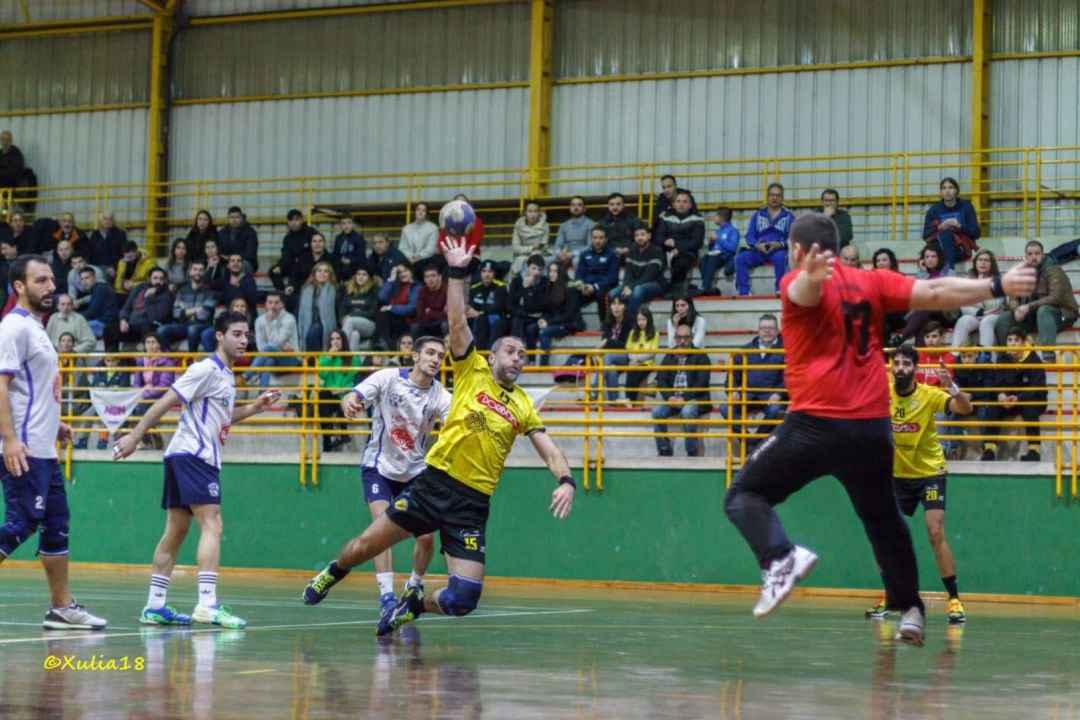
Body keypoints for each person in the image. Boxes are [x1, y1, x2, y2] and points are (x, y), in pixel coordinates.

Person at [722, 211, 1034, 647]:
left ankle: (780, 557)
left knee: (742, 496)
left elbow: (804, 292)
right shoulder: (872, 281)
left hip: (816, 422)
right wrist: (997, 285)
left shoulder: (796, 282)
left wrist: (810, 277)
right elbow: (934, 290)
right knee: (883, 519)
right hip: (871, 427)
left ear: (796, 250)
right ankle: (912, 610)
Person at [302, 235, 576, 637]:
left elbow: (550, 452)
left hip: (472, 503)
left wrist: (566, 481)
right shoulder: (472, 369)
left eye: (524, 355)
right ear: (493, 354)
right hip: (434, 484)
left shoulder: (522, 406)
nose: (519, 358)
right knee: (365, 547)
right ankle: (333, 571)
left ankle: (415, 604)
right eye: (512, 351)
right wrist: (457, 273)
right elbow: (456, 322)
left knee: (463, 599)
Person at [114, 311, 281, 629]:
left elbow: (222, 418)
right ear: (219, 336)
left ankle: (154, 606)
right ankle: (206, 603)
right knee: (212, 524)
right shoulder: (205, 369)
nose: (243, 340)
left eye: (246, 334)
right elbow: (164, 401)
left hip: (185, 456)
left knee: (175, 532)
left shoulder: (228, 376)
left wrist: (255, 408)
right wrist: (136, 436)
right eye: (236, 334)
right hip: (194, 456)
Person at [0, 255, 108, 630]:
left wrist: (56, 422)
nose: (51, 286)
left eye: (51, 279)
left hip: (44, 447)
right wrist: (10, 439)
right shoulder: (13, 327)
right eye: (41, 280)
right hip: (24, 449)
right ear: (20, 286)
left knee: (56, 523)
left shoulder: (36, 327)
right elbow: (2, 385)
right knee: (21, 523)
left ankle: (62, 608)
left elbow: (32, 389)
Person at [340, 336, 451, 612]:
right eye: (430, 353)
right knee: (381, 529)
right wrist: (349, 401)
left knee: (426, 538)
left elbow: (456, 425)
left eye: (440, 355)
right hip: (379, 467)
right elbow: (353, 395)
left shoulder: (441, 396)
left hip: (415, 470)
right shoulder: (388, 377)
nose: (436, 359)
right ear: (415, 356)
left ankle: (414, 584)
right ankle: (387, 597)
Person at [866, 344, 973, 624]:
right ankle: (891, 595)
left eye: (906, 364)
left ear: (915, 368)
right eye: (897, 363)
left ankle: (954, 600)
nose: (901, 368)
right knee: (884, 537)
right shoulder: (882, 394)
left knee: (935, 532)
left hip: (930, 473)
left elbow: (966, 408)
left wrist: (952, 387)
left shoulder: (928, 395)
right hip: (897, 476)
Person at [994, 240, 1078, 363]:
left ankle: (1048, 357)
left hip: (1061, 314)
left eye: (1037, 253)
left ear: (1043, 255)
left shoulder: (1054, 269)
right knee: (1004, 318)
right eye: (1030, 254)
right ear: (1026, 257)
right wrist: (1016, 308)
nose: (1034, 257)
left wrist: (1028, 307)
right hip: (1032, 317)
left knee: (1044, 310)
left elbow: (1055, 297)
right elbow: (1012, 299)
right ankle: (1007, 356)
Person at [981, 326, 1047, 462]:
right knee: (993, 408)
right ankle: (989, 450)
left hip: (1029, 398)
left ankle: (1034, 451)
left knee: (1031, 408)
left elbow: (1037, 387)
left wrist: (1018, 397)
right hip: (1009, 398)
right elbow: (998, 381)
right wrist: (1001, 394)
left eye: (1016, 340)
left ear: (1023, 343)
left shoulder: (1034, 359)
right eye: (1009, 340)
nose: (1012, 343)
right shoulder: (1002, 357)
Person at [723, 314, 785, 451]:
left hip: (771, 396)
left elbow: (789, 377)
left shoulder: (786, 350)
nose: (767, 331)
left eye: (770, 328)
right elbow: (731, 377)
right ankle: (751, 441)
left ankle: (754, 442)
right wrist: (733, 390)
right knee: (724, 408)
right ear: (758, 330)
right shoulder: (745, 350)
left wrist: (779, 394)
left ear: (777, 330)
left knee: (775, 409)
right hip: (749, 395)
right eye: (764, 328)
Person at [651, 324, 711, 457]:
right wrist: (669, 397)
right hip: (673, 398)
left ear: (692, 338)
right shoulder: (670, 356)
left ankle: (692, 451)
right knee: (656, 412)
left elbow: (701, 383)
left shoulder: (701, 356)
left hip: (694, 398)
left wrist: (684, 398)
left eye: (686, 338)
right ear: (675, 338)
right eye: (679, 338)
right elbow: (661, 380)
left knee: (688, 411)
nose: (682, 341)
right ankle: (664, 449)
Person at [735, 183, 795, 296]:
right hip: (759, 250)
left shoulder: (789, 216)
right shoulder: (757, 215)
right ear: (767, 196)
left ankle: (780, 289)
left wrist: (780, 244)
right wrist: (757, 245)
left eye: (778, 195)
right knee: (740, 259)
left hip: (779, 251)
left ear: (782, 198)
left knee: (783, 258)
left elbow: (794, 237)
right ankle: (744, 291)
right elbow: (749, 236)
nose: (774, 198)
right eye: (772, 195)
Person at [896, 243, 953, 346]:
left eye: (933, 256)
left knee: (928, 306)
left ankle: (902, 337)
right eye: (927, 257)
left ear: (939, 257)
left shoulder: (950, 273)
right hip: (926, 314)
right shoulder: (922, 274)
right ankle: (920, 358)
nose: (930, 260)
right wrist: (923, 273)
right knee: (923, 325)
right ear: (923, 260)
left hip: (946, 313)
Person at [104, 267, 173, 352]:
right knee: (109, 329)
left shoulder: (166, 294)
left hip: (150, 327)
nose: (158, 281)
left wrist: (149, 298)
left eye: (161, 279)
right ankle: (112, 361)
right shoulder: (140, 288)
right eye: (155, 278)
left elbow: (155, 318)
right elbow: (126, 307)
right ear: (149, 279)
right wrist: (123, 320)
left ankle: (148, 362)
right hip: (132, 326)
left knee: (148, 328)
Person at [131, 332, 177, 450]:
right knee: (129, 407)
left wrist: (144, 395)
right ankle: (130, 439)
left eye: (153, 342)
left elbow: (164, 386)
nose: (150, 345)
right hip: (144, 393)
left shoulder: (167, 361)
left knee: (141, 407)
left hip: (162, 395)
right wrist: (137, 392)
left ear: (159, 345)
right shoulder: (141, 360)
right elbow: (137, 380)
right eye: (147, 343)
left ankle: (147, 442)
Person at [532, 262, 583, 367]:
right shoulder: (549, 288)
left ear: (561, 273)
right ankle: (530, 360)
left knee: (544, 333)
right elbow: (547, 310)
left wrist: (548, 322)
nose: (551, 274)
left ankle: (543, 367)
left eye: (555, 271)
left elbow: (569, 315)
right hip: (554, 321)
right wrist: (542, 319)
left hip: (569, 324)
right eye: (550, 271)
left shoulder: (571, 290)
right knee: (530, 329)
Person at [923, 177, 980, 270]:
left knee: (947, 235)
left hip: (961, 248)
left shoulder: (966, 206)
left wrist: (960, 226)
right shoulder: (934, 210)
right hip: (939, 249)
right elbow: (925, 235)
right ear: (941, 192)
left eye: (950, 187)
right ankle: (949, 269)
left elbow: (976, 233)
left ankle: (949, 269)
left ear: (956, 190)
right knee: (943, 236)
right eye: (944, 188)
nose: (947, 191)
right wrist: (940, 227)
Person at [655, 190, 705, 294]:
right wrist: (666, 242)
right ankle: (664, 288)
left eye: (685, 202)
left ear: (690, 205)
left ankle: (673, 290)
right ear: (673, 204)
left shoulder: (697, 218)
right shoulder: (666, 217)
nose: (681, 204)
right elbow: (658, 237)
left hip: (687, 252)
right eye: (678, 201)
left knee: (681, 263)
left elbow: (696, 242)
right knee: (654, 263)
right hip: (666, 250)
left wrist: (678, 247)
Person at [316, 329, 357, 453]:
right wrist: (328, 357)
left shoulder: (353, 358)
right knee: (323, 397)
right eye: (332, 339)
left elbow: (352, 378)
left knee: (342, 399)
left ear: (343, 340)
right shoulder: (324, 357)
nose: (335, 342)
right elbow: (322, 375)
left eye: (338, 339)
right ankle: (327, 439)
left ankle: (341, 435)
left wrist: (341, 389)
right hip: (329, 393)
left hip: (345, 392)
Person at [248, 292, 300, 387]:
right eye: (270, 302)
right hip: (271, 358)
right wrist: (278, 348)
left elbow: (276, 342)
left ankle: (246, 376)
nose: (273, 306)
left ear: (282, 304)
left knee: (268, 347)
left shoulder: (289, 319)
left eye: (276, 303)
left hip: (291, 359)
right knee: (268, 361)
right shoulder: (259, 321)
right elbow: (260, 347)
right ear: (266, 304)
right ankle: (262, 395)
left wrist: (270, 322)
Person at [953, 250, 1003, 348]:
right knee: (963, 321)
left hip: (994, 316)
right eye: (980, 260)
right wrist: (981, 312)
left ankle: (985, 358)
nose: (983, 262)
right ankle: (955, 357)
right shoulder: (968, 280)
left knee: (986, 322)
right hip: (976, 314)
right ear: (975, 263)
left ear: (992, 264)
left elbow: (994, 306)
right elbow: (964, 305)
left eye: (986, 260)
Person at [611, 226, 665, 315]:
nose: (639, 237)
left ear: (649, 236)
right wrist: (627, 286)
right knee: (612, 294)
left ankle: (631, 322)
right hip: (634, 283)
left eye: (642, 235)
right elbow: (628, 273)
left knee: (637, 290)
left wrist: (631, 287)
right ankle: (612, 323)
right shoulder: (632, 250)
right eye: (636, 235)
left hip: (655, 283)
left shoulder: (657, 251)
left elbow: (649, 277)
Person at [373, 260, 419, 351]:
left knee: (383, 315)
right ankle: (383, 344)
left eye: (405, 271)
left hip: (407, 320)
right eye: (399, 272)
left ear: (411, 271)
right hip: (392, 318)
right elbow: (381, 297)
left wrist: (390, 307)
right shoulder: (396, 285)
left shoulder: (416, 287)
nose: (402, 274)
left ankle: (383, 344)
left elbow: (410, 309)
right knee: (381, 314)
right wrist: (391, 280)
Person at [576, 226, 620, 322]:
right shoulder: (584, 254)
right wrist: (582, 285)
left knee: (602, 295)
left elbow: (612, 277)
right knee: (571, 293)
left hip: (603, 286)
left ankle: (605, 324)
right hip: (587, 287)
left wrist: (595, 286)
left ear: (606, 239)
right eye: (595, 238)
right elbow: (579, 273)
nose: (597, 241)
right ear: (591, 238)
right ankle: (576, 323)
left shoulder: (613, 255)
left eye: (600, 238)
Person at [596, 295, 633, 403]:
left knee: (607, 357)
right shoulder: (608, 322)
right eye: (613, 304)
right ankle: (614, 402)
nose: (616, 307)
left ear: (625, 306)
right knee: (611, 368)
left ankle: (594, 390)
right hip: (610, 359)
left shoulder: (630, 322)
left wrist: (608, 341)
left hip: (626, 356)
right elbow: (603, 344)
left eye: (620, 304)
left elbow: (626, 345)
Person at [297, 261, 340, 353]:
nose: (322, 274)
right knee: (311, 332)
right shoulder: (305, 291)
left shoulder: (335, 291)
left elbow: (338, 311)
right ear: (314, 273)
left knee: (313, 333)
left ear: (330, 274)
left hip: (325, 326)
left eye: (325, 271)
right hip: (307, 324)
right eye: (319, 271)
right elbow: (299, 312)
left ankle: (313, 364)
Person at [467, 260, 508, 351]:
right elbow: (471, 307)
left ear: (494, 273)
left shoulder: (501, 287)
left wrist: (481, 312)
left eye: (490, 271)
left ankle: (490, 353)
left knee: (486, 321)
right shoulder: (474, 288)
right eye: (484, 271)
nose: (487, 274)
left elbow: (497, 306)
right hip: (478, 318)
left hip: (496, 318)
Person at [338, 266, 381, 352]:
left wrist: (352, 315)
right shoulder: (349, 291)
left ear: (369, 277)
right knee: (354, 335)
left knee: (350, 321)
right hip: (350, 325)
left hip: (369, 325)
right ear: (355, 276)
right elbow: (342, 311)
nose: (361, 277)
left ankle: (340, 350)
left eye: (364, 274)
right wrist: (342, 320)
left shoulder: (374, 291)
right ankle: (351, 361)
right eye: (358, 274)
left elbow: (372, 313)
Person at [699, 206, 740, 295]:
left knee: (712, 259)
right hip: (714, 254)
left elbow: (732, 248)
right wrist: (711, 243)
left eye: (716, 216)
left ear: (721, 217)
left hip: (724, 256)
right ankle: (707, 287)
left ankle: (705, 287)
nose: (714, 218)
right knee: (702, 260)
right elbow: (712, 248)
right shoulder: (718, 231)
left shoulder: (733, 231)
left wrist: (718, 240)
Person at [623, 308, 660, 402]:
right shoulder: (632, 332)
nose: (641, 322)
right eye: (639, 320)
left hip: (646, 363)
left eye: (643, 319)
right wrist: (633, 359)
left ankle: (630, 401)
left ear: (649, 320)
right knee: (631, 373)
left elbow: (653, 352)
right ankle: (628, 400)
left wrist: (638, 359)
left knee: (635, 378)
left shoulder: (655, 333)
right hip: (634, 362)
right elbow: (628, 349)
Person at [553, 196, 595, 271]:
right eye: (573, 205)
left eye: (579, 205)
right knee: (545, 260)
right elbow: (558, 245)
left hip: (584, 255)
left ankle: (578, 282)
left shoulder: (591, 225)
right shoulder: (564, 225)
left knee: (576, 261)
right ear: (570, 208)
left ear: (585, 208)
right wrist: (559, 253)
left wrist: (573, 254)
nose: (575, 207)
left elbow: (590, 246)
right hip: (566, 255)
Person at [599, 192, 644, 258]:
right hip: (610, 253)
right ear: (608, 206)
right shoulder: (604, 222)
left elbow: (642, 238)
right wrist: (614, 248)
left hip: (632, 252)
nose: (615, 207)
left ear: (623, 205)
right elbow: (600, 240)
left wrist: (629, 248)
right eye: (612, 204)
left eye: (618, 204)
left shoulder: (633, 219)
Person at [511, 200, 550, 274]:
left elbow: (543, 246)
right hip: (520, 256)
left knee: (537, 262)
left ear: (538, 213)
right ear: (525, 213)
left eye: (535, 211)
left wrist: (532, 256)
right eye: (530, 211)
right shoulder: (518, 226)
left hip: (539, 255)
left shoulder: (545, 226)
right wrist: (532, 248)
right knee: (521, 261)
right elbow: (515, 248)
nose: (532, 214)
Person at [399, 203, 439, 274]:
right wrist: (410, 258)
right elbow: (402, 248)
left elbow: (430, 249)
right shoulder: (406, 229)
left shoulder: (433, 228)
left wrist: (417, 258)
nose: (420, 212)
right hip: (409, 259)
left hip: (426, 260)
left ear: (426, 213)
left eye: (423, 210)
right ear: (415, 212)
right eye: (418, 210)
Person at [86, 211, 128, 279]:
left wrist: (114, 267)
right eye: (105, 219)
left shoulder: (120, 235)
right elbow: (89, 254)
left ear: (113, 221)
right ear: (100, 221)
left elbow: (124, 255)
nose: (107, 221)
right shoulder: (94, 235)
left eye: (110, 219)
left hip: (113, 268)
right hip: (96, 267)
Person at [411, 266, 449, 339]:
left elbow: (449, 315)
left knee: (445, 325)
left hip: (442, 322)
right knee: (415, 327)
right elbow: (420, 315)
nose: (430, 279)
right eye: (427, 277)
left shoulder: (447, 289)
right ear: (424, 279)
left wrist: (430, 312)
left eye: (433, 275)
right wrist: (439, 313)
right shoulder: (422, 291)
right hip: (427, 323)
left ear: (439, 277)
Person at [219, 206, 259, 272]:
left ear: (241, 218)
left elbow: (250, 253)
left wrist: (231, 259)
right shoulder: (221, 233)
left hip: (246, 262)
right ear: (228, 219)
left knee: (237, 267)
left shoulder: (250, 232)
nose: (234, 220)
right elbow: (219, 251)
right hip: (226, 262)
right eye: (232, 217)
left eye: (237, 217)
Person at [331, 214, 366, 282]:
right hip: (339, 270)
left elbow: (362, 258)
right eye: (343, 223)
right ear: (340, 225)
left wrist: (350, 261)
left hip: (353, 271)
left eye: (349, 223)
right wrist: (339, 259)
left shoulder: (359, 238)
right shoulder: (338, 238)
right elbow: (335, 254)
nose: (346, 226)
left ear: (352, 224)